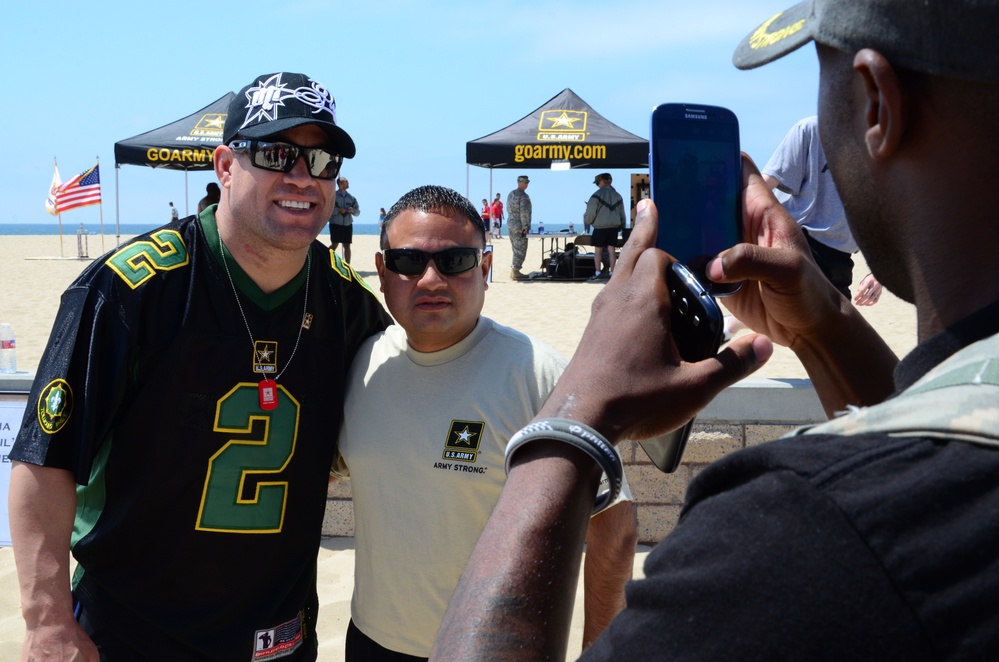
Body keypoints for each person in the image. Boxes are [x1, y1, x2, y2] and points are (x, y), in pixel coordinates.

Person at [431, 0, 999, 659]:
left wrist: (572, 417)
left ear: (876, 102)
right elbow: (930, 454)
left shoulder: (802, 526)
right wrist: (824, 331)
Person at [8, 71, 390, 661]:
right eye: (277, 154)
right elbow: (45, 458)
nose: (302, 177)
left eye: (321, 161)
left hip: (277, 637)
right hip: (130, 630)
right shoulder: (130, 290)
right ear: (226, 165)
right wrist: (46, 621)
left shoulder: (349, 303)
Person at [333, 185, 636, 661]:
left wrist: (600, 652)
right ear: (383, 271)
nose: (430, 279)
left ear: (486, 267)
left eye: (455, 261)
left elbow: (614, 527)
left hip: (494, 651)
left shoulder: (540, 376)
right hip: (372, 642)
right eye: (408, 262)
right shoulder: (360, 366)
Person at [761, 115, 882, 304]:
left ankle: (729, 321)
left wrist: (878, 274)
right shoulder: (811, 129)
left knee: (836, 321)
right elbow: (761, 188)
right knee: (792, 315)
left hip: (840, 262)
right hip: (795, 241)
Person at [583, 173, 626, 281]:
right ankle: (612, 273)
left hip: (600, 227)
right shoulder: (618, 195)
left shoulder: (596, 195)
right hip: (614, 227)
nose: (597, 185)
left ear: (602, 181)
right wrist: (622, 226)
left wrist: (588, 221)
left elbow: (591, 211)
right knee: (612, 250)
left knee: (598, 251)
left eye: (598, 182)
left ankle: (597, 272)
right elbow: (622, 213)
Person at [329, 176, 360, 262]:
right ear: (340, 184)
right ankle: (326, 259)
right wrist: (338, 210)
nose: (348, 183)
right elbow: (327, 210)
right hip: (335, 224)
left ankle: (347, 265)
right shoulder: (333, 196)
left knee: (347, 246)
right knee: (334, 244)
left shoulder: (351, 198)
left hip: (347, 224)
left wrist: (352, 211)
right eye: (346, 181)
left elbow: (358, 212)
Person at [506, 175, 532, 280]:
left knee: (515, 248)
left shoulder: (511, 194)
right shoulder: (523, 196)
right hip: (519, 225)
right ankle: (516, 271)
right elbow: (524, 213)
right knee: (520, 249)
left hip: (511, 223)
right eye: (526, 182)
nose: (527, 184)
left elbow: (508, 208)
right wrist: (525, 226)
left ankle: (514, 271)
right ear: (523, 183)